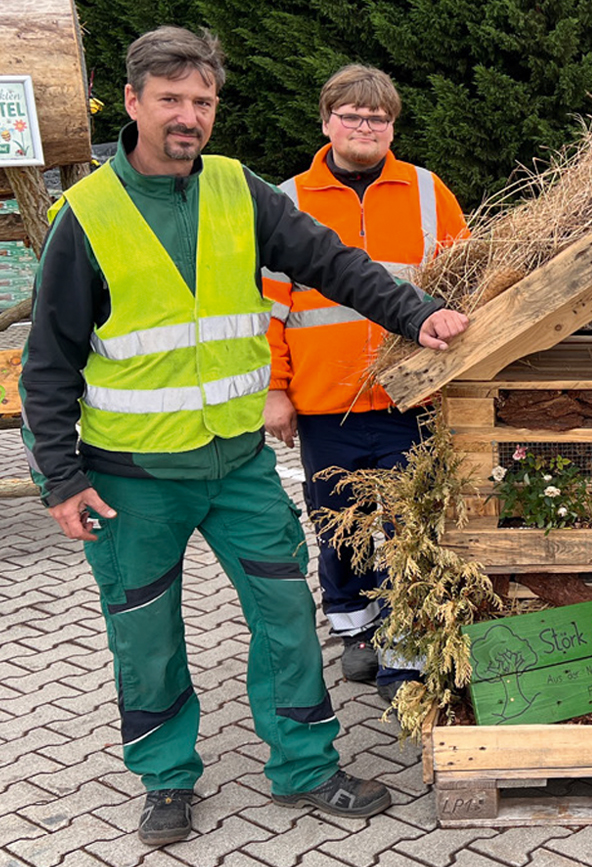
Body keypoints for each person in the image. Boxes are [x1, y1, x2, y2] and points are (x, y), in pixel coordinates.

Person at [19, 27, 469, 845]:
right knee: (144, 630)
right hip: (131, 477)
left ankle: (304, 764)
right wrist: (60, 477)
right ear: (132, 102)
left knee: (286, 609)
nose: (188, 116)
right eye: (171, 100)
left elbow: (336, 262)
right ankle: (165, 778)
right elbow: (47, 363)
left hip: (239, 467)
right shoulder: (86, 214)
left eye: (202, 101)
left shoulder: (239, 189)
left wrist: (417, 311)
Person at [261, 65, 468, 704]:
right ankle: (355, 630)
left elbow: (464, 288)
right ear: (326, 122)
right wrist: (275, 388)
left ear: (392, 126)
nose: (365, 127)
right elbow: (265, 306)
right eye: (351, 115)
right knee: (339, 524)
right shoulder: (286, 200)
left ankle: (408, 643)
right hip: (328, 401)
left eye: (377, 118)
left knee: (415, 525)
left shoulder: (430, 193)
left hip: (414, 397)